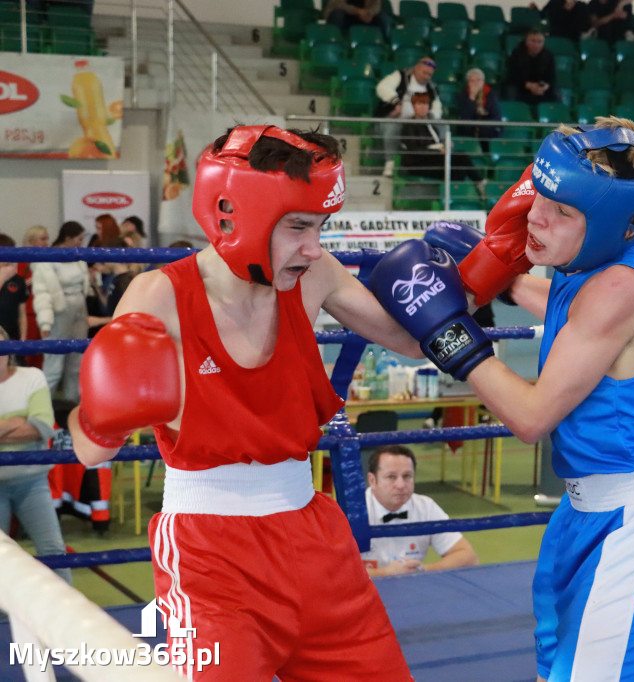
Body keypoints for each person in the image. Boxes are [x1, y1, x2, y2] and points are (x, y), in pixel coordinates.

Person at [68, 125, 419, 680]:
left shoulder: (314, 274)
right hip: (211, 555)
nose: (313, 246)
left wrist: (484, 272)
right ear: (238, 216)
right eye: (299, 226)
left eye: (320, 226)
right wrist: (105, 414)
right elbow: (90, 454)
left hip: (314, 539)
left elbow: (415, 340)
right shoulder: (159, 296)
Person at [373, 116, 634, 682]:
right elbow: (573, 319)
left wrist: (450, 334)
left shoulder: (621, 288)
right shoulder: (587, 261)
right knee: (554, 669)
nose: (536, 218)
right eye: (540, 196)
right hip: (581, 510)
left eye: (563, 211)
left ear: (617, 227)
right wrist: (510, 276)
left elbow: (530, 417)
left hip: (631, 516)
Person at [0, 324, 70, 584]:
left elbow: (42, 427)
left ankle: (67, 619)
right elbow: (32, 425)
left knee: (54, 552)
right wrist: (17, 421)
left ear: (10, 349)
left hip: (32, 482)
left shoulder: (32, 377)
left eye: (1, 347)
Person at [361, 445, 479, 576]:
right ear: (372, 480)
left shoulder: (425, 506)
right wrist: (386, 573)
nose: (400, 485)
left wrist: (423, 570)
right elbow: (337, 573)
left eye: (407, 476)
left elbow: (468, 557)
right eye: (391, 477)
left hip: (411, 588)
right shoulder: (352, 512)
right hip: (363, 592)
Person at [31, 221, 89, 402]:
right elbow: (42, 293)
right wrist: (45, 321)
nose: (81, 242)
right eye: (79, 239)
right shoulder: (46, 261)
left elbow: (84, 285)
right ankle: (41, 411)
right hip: (58, 313)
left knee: (77, 363)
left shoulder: (78, 256)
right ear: (68, 238)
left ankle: (74, 407)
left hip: (80, 308)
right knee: (54, 364)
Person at [400, 92, 486, 192]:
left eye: (425, 104)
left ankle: (457, 199)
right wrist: (438, 151)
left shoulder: (431, 125)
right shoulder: (409, 126)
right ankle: (480, 182)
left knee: (459, 171)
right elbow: (414, 150)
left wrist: (445, 145)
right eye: (419, 104)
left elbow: (436, 143)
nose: (423, 107)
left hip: (433, 160)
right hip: (419, 163)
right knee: (462, 156)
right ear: (413, 107)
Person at [376, 57, 442, 178]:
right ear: (416, 68)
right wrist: (396, 102)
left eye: (430, 75)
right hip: (396, 119)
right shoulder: (400, 76)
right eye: (425, 73)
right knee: (392, 127)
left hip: (420, 122)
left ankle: (439, 150)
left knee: (443, 125)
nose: (427, 77)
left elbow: (437, 106)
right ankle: (390, 163)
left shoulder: (431, 87)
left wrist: (431, 115)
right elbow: (382, 87)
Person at [18, 225, 49, 369]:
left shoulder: (49, 260)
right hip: (28, 312)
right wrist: (26, 283)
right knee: (28, 352)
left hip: (46, 311)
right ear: (31, 241)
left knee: (43, 353)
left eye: (47, 239)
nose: (46, 242)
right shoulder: (20, 260)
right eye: (43, 239)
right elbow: (12, 286)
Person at [505, 29, 559, 108]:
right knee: (511, 90)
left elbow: (551, 77)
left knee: (556, 93)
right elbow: (512, 75)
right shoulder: (516, 54)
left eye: (539, 41)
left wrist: (545, 86)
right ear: (526, 41)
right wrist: (528, 85)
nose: (536, 44)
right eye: (533, 41)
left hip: (540, 87)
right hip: (521, 86)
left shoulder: (549, 56)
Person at [454, 68, 503, 150]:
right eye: (472, 81)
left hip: (487, 132)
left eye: (478, 80)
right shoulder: (463, 96)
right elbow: (465, 118)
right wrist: (472, 98)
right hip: (468, 131)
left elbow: (497, 117)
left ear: (483, 82)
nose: (475, 83)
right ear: (468, 83)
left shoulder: (490, 95)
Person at [0, 234, 28, 344]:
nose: (7, 260)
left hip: (13, 334)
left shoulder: (18, 280)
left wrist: (23, 338)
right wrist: (2, 277)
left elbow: (22, 313)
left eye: (10, 255)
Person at [323, 0, 387, 36]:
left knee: (383, 17)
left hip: (365, 16)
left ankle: (382, 44)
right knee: (338, 14)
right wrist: (357, 11)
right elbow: (338, 4)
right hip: (346, 15)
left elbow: (376, 5)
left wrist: (369, 13)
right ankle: (336, 41)